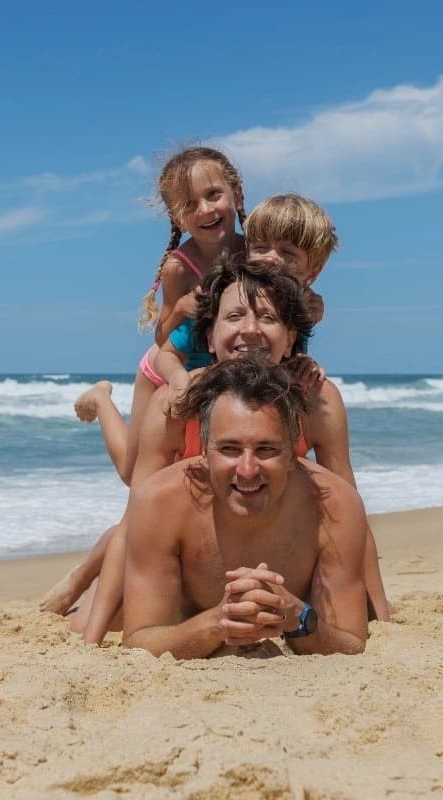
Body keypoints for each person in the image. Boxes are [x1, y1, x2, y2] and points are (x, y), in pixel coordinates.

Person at [73, 259, 391, 643]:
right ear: (208, 337)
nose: (250, 329)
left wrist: (379, 614)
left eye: (267, 318)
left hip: (279, 536)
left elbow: (348, 511)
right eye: (235, 316)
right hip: (183, 542)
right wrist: (91, 636)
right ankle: (101, 402)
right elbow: (136, 520)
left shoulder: (317, 400)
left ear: (291, 338)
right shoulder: (174, 404)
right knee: (95, 607)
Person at [123, 355, 370, 658]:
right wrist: (220, 621)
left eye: (266, 449)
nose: (248, 469)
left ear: (293, 453)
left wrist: (296, 617)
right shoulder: (159, 503)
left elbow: (352, 643)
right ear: (204, 451)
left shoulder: (335, 506)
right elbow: (138, 640)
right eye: (229, 449)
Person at [72, 146, 246, 488]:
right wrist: (181, 308)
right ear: (176, 217)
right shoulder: (180, 267)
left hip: (218, 368)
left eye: (213, 195)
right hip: (165, 369)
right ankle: (102, 399)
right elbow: (162, 335)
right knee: (132, 473)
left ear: (236, 193)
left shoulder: (255, 251)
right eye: (190, 205)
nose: (206, 210)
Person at [150, 193, 339, 396]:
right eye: (261, 248)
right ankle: (108, 400)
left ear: (314, 270)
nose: (271, 258)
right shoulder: (221, 298)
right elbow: (165, 355)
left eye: (288, 253)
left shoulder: (301, 307)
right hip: (198, 385)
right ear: (247, 250)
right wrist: (180, 381)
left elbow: (288, 352)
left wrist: (302, 362)